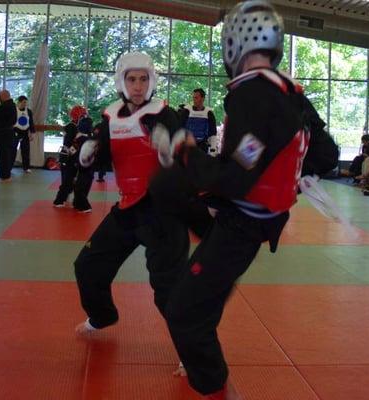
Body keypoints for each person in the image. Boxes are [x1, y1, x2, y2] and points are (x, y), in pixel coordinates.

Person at [152, 2, 338, 399]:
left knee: (183, 312)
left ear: (233, 43)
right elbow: (327, 154)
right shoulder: (290, 91)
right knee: (168, 194)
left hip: (242, 223)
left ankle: (215, 388)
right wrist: (292, 174)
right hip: (259, 219)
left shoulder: (252, 93)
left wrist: (186, 150)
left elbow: (234, 179)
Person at [73, 52, 190, 342]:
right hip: (128, 209)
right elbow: (102, 154)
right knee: (88, 266)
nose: (138, 86)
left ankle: (194, 352)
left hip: (164, 214)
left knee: (167, 288)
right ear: (121, 82)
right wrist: (87, 157)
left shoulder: (164, 113)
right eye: (131, 79)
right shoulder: (110, 116)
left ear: (151, 81)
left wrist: (170, 151)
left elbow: (189, 158)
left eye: (143, 79)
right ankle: (102, 316)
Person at [53, 105, 90, 210]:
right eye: (82, 116)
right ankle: (59, 200)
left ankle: (70, 199)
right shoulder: (71, 126)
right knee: (67, 180)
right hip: (68, 157)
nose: (84, 118)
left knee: (73, 179)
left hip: (74, 157)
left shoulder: (78, 127)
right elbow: (68, 143)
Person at [178, 88, 217, 154]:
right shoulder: (187, 111)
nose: (194, 100)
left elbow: (212, 132)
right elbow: (180, 128)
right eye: (193, 97)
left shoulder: (208, 113)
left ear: (202, 98)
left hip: (202, 146)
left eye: (196, 98)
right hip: (188, 146)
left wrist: (213, 149)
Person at [0, 89, 17, 183]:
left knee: (3, 156)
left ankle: (5, 177)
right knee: (4, 156)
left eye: (0, 97)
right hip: (6, 134)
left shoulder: (8, 105)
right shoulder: (10, 105)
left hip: (4, 135)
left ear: (4, 96)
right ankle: (5, 176)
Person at [12, 95, 35, 173]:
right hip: (15, 132)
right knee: (12, 150)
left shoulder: (28, 111)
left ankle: (26, 168)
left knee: (26, 151)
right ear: (19, 102)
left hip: (25, 132)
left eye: (26, 103)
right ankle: (9, 167)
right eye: (24, 102)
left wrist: (32, 133)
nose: (25, 104)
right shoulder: (14, 110)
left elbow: (31, 122)